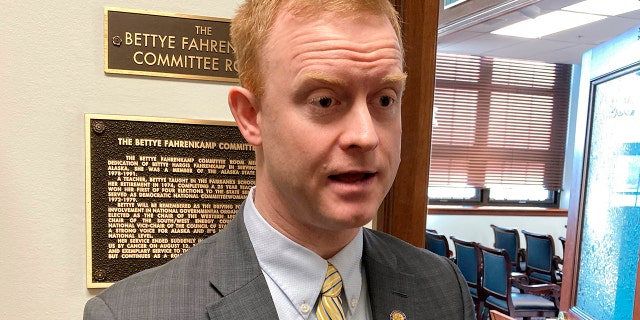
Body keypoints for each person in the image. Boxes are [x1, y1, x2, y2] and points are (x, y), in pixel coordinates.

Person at [84, 0, 475, 319]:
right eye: (324, 100)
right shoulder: (133, 312)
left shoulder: (441, 287)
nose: (366, 136)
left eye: (385, 99)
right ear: (251, 117)